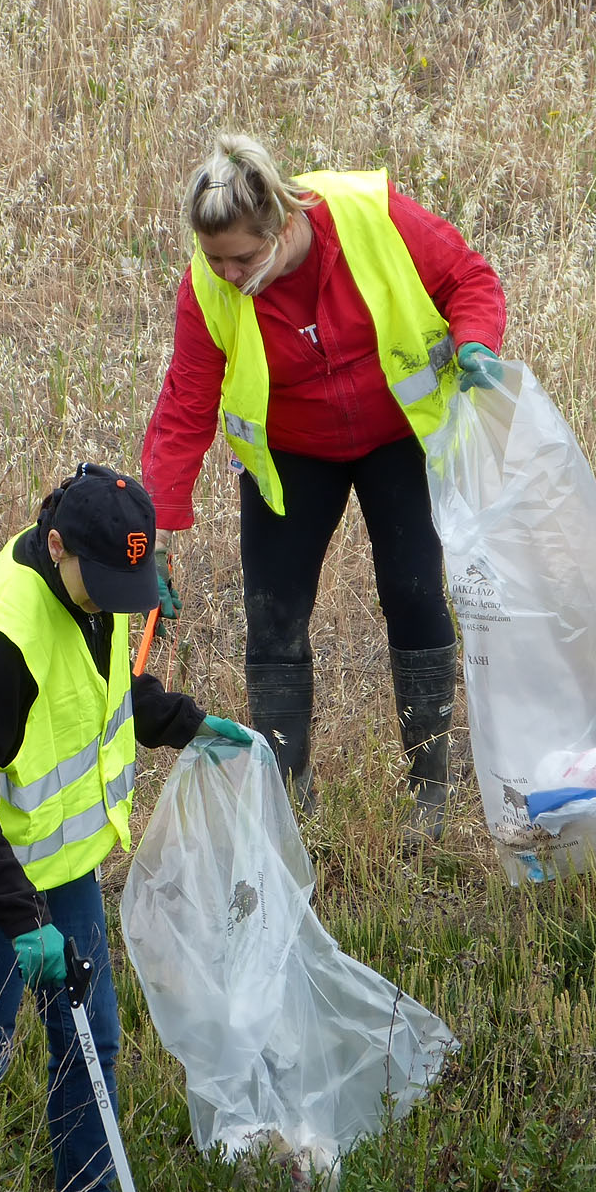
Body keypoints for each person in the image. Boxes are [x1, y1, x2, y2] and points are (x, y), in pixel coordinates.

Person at [0, 461, 249, 1192]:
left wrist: (182, 722)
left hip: (61, 861)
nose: (118, 604)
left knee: (91, 1037)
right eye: (106, 586)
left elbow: (98, 700)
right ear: (56, 545)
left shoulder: (97, 587)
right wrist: (21, 921)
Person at [139, 133, 507, 835]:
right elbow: (185, 403)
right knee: (272, 617)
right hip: (292, 453)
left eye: (243, 258)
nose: (228, 274)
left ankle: (430, 792)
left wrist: (475, 341)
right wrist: (154, 531)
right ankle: (289, 798)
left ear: (282, 224)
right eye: (214, 259)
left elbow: (469, 278)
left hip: (397, 435)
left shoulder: (370, 215)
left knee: (413, 593)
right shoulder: (206, 288)